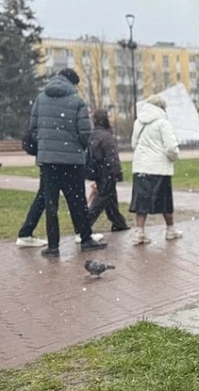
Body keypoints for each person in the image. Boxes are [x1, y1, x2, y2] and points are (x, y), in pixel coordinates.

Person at [31, 68, 107, 257]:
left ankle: (53, 245)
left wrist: (45, 148)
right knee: (77, 202)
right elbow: (84, 133)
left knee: (51, 204)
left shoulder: (41, 99)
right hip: (72, 162)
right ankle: (85, 238)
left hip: (48, 162)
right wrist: (77, 148)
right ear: (73, 83)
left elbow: (33, 130)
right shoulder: (77, 101)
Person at [129, 94, 182, 244]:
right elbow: (171, 147)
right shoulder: (163, 123)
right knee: (165, 200)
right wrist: (173, 157)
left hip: (141, 167)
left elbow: (134, 144)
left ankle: (139, 232)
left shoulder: (138, 123)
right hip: (159, 168)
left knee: (141, 201)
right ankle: (170, 230)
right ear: (162, 108)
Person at [86, 109, 129, 232]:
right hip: (107, 171)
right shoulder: (106, 136)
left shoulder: (93, 135)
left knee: (110, 197)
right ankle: (85, 224)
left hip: (98, 171)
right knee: (103, 197)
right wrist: (117, 172)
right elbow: (112, 156)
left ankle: (118, 222)